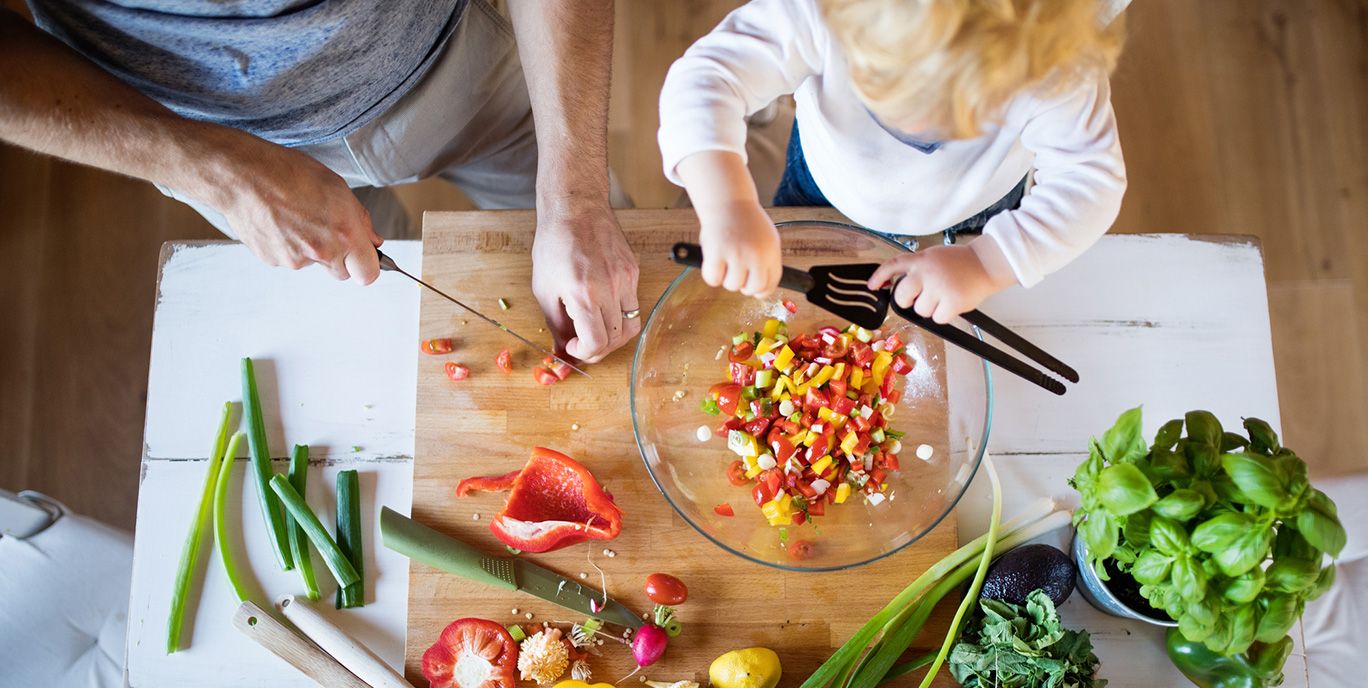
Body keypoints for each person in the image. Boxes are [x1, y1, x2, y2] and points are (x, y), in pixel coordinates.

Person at [0, 0, 640, 363]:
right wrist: (221, 174)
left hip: (454, 61)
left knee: (604, 280)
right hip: (208, 139)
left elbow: (578, 208)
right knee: (391, 338)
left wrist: (575, 200)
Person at [657, 0, 1127, 325]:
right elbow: (707, 77)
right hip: (823, 184)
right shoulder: (823, 10)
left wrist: (986, 264)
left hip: (977, 212)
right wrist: (729, 207)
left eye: (964, 112)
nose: (919, 127)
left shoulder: (1055, 62)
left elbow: (1089, 183)